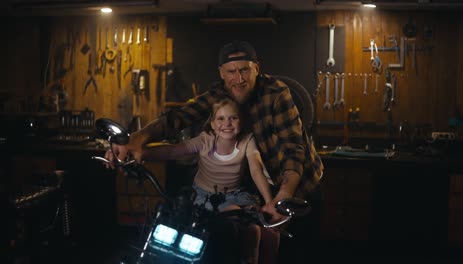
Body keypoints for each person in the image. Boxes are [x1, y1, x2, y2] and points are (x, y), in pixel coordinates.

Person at [105, 40, 324, 263]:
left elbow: (293, 149)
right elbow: (178, 118)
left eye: (245, 70)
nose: (238, 79)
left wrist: (283, 196)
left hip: (295, 185)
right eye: (231, 71)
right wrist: (136, 141)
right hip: (255, 191)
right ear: (221, 73)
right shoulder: (219, 96)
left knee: (296, 253)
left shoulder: (277, 93)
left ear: (257, 68)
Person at [142, 97, 281, 263]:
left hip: (232, 196)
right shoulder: (205, 141)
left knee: (252, 230)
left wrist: (269, 202)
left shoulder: (247, 141)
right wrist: (142, 154)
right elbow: (173, 151)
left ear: (241, 122)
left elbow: (256, 169)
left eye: (233, 118)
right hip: (201, 195)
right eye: (221, 118)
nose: (227, 123)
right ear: (213, 125)